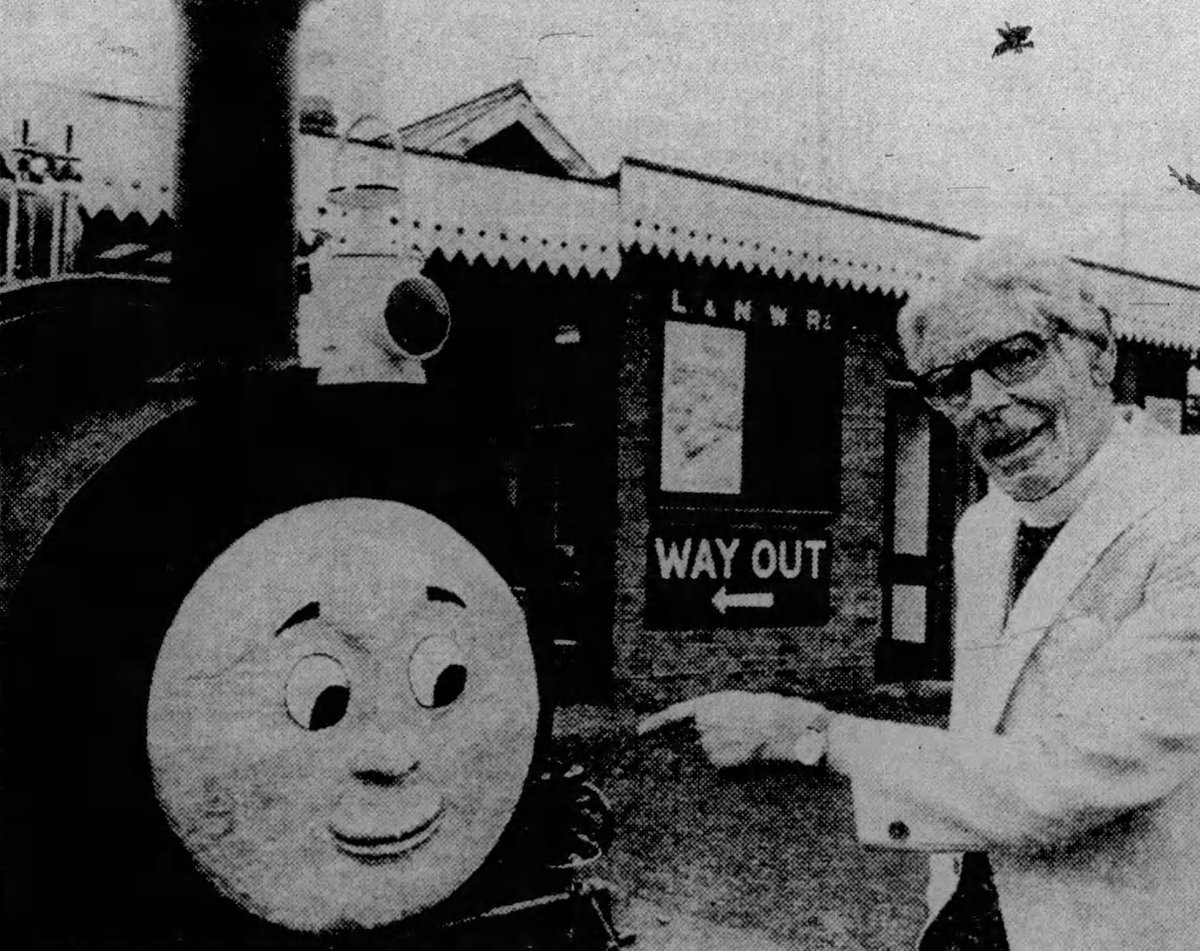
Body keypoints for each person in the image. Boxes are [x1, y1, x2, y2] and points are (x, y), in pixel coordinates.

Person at [639, 236, 1200, 951]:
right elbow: (985, 737)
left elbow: (1073, 773)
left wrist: (813, 733)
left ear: (1099, 353)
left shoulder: (1188, 506)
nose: (985, 402)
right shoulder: (985, 527)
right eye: (951, 382)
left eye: (1016, 354)